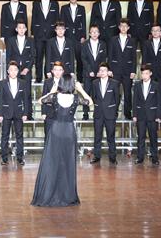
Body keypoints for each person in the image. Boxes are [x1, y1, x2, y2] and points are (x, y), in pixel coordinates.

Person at [31, 74, 92, 207]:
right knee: (67, 163)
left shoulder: (54, 97)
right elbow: (90, 102)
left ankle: (49, 193)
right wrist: (81, 89)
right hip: (69, 132)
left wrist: (52, 91)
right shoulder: (76, 98)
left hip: (56, 130)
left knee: (52, 162)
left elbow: (40, 101)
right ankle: (67, 195)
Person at [0, 61, 29, 165]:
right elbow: (0, 99)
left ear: (18, 71)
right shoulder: (2, 83)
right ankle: (4, 158)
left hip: (19, 112)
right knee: (5, 136)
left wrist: (25, 113)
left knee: (19, 136)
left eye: (15, 70)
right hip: (6, 112)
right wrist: (0, 114)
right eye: (11, 70)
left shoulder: (22, 82)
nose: (13, 72)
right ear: (8, 71)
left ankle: (20, 158)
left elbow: (25, 99)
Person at [90, 63, 120, 165]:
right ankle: (97, 156)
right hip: (98, 113)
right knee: (97, 136)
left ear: (108, 72)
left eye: (104, 70)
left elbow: (117, 98)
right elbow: (94, 97)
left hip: (110, 113)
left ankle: (112, 157)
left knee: (111, 136)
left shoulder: (114, 83)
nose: (102, 72)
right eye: (100, 70)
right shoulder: (94, 83)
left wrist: (114, 110)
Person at [132, 65, 161, 165]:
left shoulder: (156, 85)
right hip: (140, 115)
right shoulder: (137, 85)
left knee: (153, 137)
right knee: (140, 137)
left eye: (146, 73)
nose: (144, 75)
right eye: (142, 73)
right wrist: (134, 115)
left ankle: (155, 158)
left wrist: (158, 115)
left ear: (150, 74)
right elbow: (135, 100)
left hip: (152, 115)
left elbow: (159, 101)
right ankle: (140, 157)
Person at [5, 20, 35, 117]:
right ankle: (12, 114)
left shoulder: (30, 40)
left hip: (26, 70)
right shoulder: (11, 40)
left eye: (23, 28)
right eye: (19, 28)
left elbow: (33, 56)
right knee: (13, 92)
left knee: (27, 93)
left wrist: (27, 68)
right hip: (14, 71)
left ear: (26, 29)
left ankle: (29, 114)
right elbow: (8, 56)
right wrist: (11, 70)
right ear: (16, 29)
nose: (21, 30)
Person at [108, 18, 137, 119]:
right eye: (122, 26)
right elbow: (110, 55)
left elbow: (134, 57)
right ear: (119, 27)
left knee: (128, 93)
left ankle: (127, 113)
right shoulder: (113, 39)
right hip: (115, 70)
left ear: (128, 28)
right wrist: (109, 69)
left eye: (125, 26)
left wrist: (133, 70)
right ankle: (114, 112)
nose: (123, 28)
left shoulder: (132, 41)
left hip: (128, 71)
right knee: (115, 92)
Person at [31, 0, 59, 82]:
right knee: (38, 57)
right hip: (39, 34)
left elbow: (57, 19)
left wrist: (56, 33)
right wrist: (33, 33)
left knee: (50, 57)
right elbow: (34, 18)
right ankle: (38, 78)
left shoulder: (55, 4)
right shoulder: (36, 3)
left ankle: (48, 78)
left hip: (51, 35)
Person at [142, 24, 161, 119]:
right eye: (153, 30)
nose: (155, 32)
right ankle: (150, 113)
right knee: (149, 93)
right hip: (150, 72)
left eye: (157, 30)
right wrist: (145, 72)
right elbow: (144, 59)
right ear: (151, 32)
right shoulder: (146, 43)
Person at [81, 24, 108, 120]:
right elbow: (83, 59)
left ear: (99, 33)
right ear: (89, 33)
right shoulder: (85, 44)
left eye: (96, 32)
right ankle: (85, 113)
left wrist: (100, 71)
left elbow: (104, 58)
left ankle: (97, 113)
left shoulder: (103, 44)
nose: (94, 34)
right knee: (86, 93)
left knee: (98, 94)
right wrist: (90, 71)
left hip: (99, 73)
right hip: (88, 73)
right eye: (92, 32)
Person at [60, 0, 86, 81]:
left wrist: (83, 36)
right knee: (67, 58)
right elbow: (62, 23)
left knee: (79, 58)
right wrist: (62, 36)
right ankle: (67, 78)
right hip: (67, 36)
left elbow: (83, 23)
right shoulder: (64, 8)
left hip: (78, 38)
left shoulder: (81, 8)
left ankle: (80, 78)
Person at [41, 62, 65, 138]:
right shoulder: (47, 82)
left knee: (61, 136)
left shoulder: (66, 82)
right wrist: (43, 112)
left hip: (63, 113)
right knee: (48, 136)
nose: (58, 72)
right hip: (49, 112)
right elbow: (44, 97)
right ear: (52, 71)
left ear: (63, 71)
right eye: (55, 70)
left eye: (60, 70)